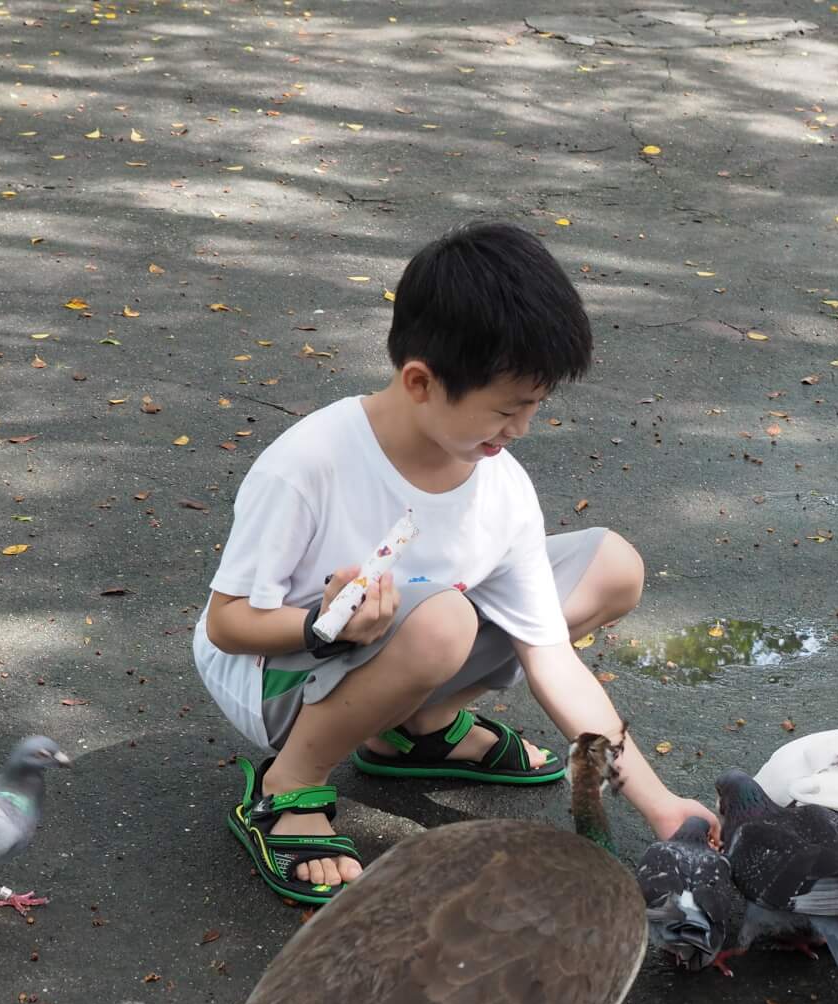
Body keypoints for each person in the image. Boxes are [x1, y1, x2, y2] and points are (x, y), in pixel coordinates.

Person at [193, 220, 719, 904]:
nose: (521, 430)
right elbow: (227, 624)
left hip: (407, 642)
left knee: (611, 565)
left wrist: (659, 805)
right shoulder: (311, 464)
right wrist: (322, 627)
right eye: (505, 411)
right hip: (274, 671)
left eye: (533, 408)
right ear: (420, 381)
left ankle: (417, 731)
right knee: (442, 620)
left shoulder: (500, 488)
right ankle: (288, 783)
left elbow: (552, 660)